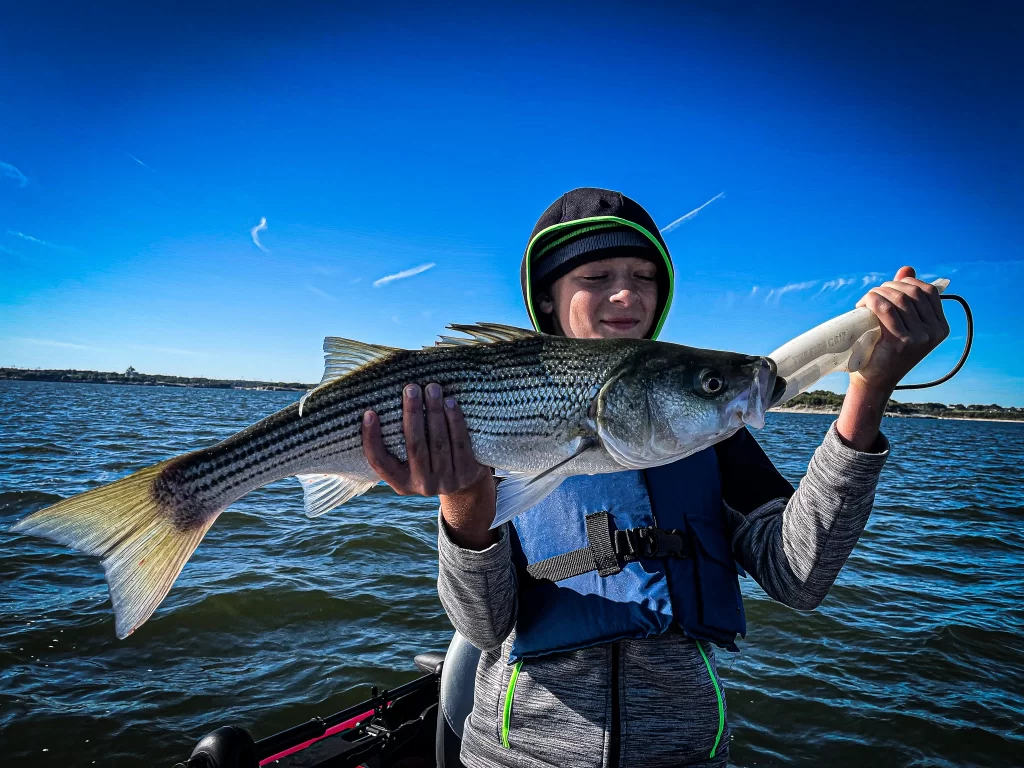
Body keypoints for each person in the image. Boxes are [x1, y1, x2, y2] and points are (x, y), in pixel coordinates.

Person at [361, 188, 949, 768]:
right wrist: (464, 501)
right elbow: (484, 627)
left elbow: (799, 577)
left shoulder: (711, 436)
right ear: (549, 296)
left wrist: (868, 394)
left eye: (645, 276)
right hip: (515, 754)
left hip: (684, 752)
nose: (626, 294)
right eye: (595, 277)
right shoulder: (493, 414)